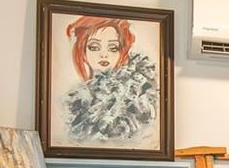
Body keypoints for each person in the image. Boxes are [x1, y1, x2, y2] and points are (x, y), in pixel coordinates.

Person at [62, 15, 158, 144]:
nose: (104, 54)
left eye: (113, 48)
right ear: (82, 51)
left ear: (122, 51)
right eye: (94, 47)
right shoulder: (76, 101)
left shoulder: (137, 90)